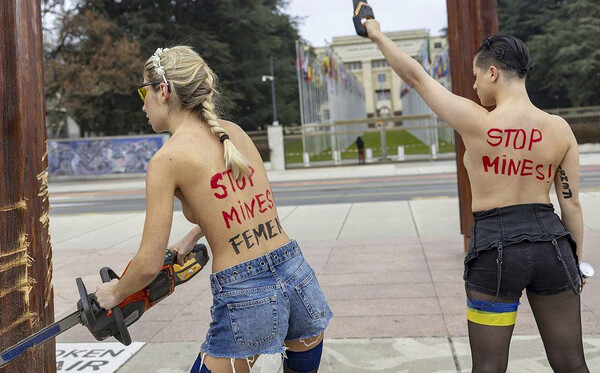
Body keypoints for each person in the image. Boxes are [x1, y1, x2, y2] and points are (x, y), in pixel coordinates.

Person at [363, 14, 589, 373]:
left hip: (494, 249)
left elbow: (415, 76)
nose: (473, 85)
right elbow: (571, 204)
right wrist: (575, 264)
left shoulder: (478, 121)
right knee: (571, 364)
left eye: (475, 75)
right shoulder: (558, 129)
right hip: (552, 247)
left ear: (493, 73)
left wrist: (375, 33)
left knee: (488, 367)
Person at [95, 46, 332, 373]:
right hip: (296, 272)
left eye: (144, 91)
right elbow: (248, 203)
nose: (143, 103)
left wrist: (115, 291)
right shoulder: (232, 133)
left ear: (163, 91)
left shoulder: (166, 160)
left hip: (247, 292)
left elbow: (149, 264)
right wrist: (194, 234)